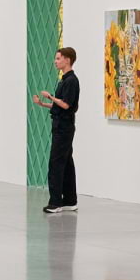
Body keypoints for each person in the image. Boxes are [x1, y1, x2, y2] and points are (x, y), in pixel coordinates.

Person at [32, 46, 80, 214]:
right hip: (61, 125)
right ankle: (70, 200)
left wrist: (50, 96)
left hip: (64, 127)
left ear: (67, 60)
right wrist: (42, 103)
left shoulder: (71, 81)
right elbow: (59, 105)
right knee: (66, 163)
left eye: (58, 58)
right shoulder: (64, 80)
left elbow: (66, 105)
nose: (55, 61)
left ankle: (55, 202)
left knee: (56, 163)